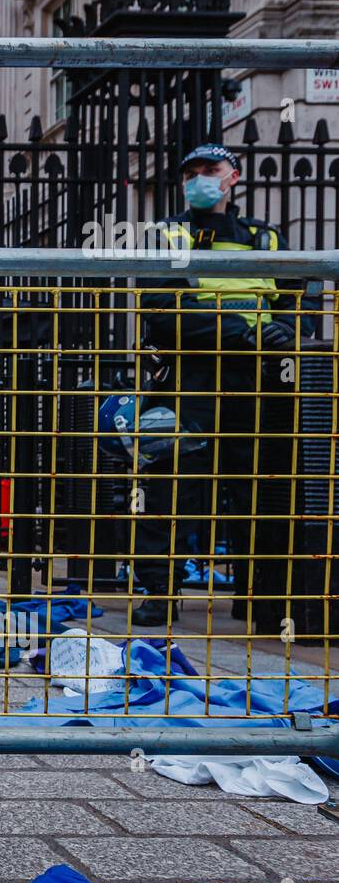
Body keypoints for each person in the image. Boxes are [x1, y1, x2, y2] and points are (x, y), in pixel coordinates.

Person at [131, 144, 311, 629]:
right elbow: (163, 314)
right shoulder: (168, 234)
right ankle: (159, 592)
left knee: (261, 489)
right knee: (173, 483)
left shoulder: (265, 239)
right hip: (192, 377)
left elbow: (297, 304)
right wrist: (247, 330)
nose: (199, 180)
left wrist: (286, 333)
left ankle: (262, 598)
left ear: (233, 177)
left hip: (259, 382)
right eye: (191, 173)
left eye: (210, 171)